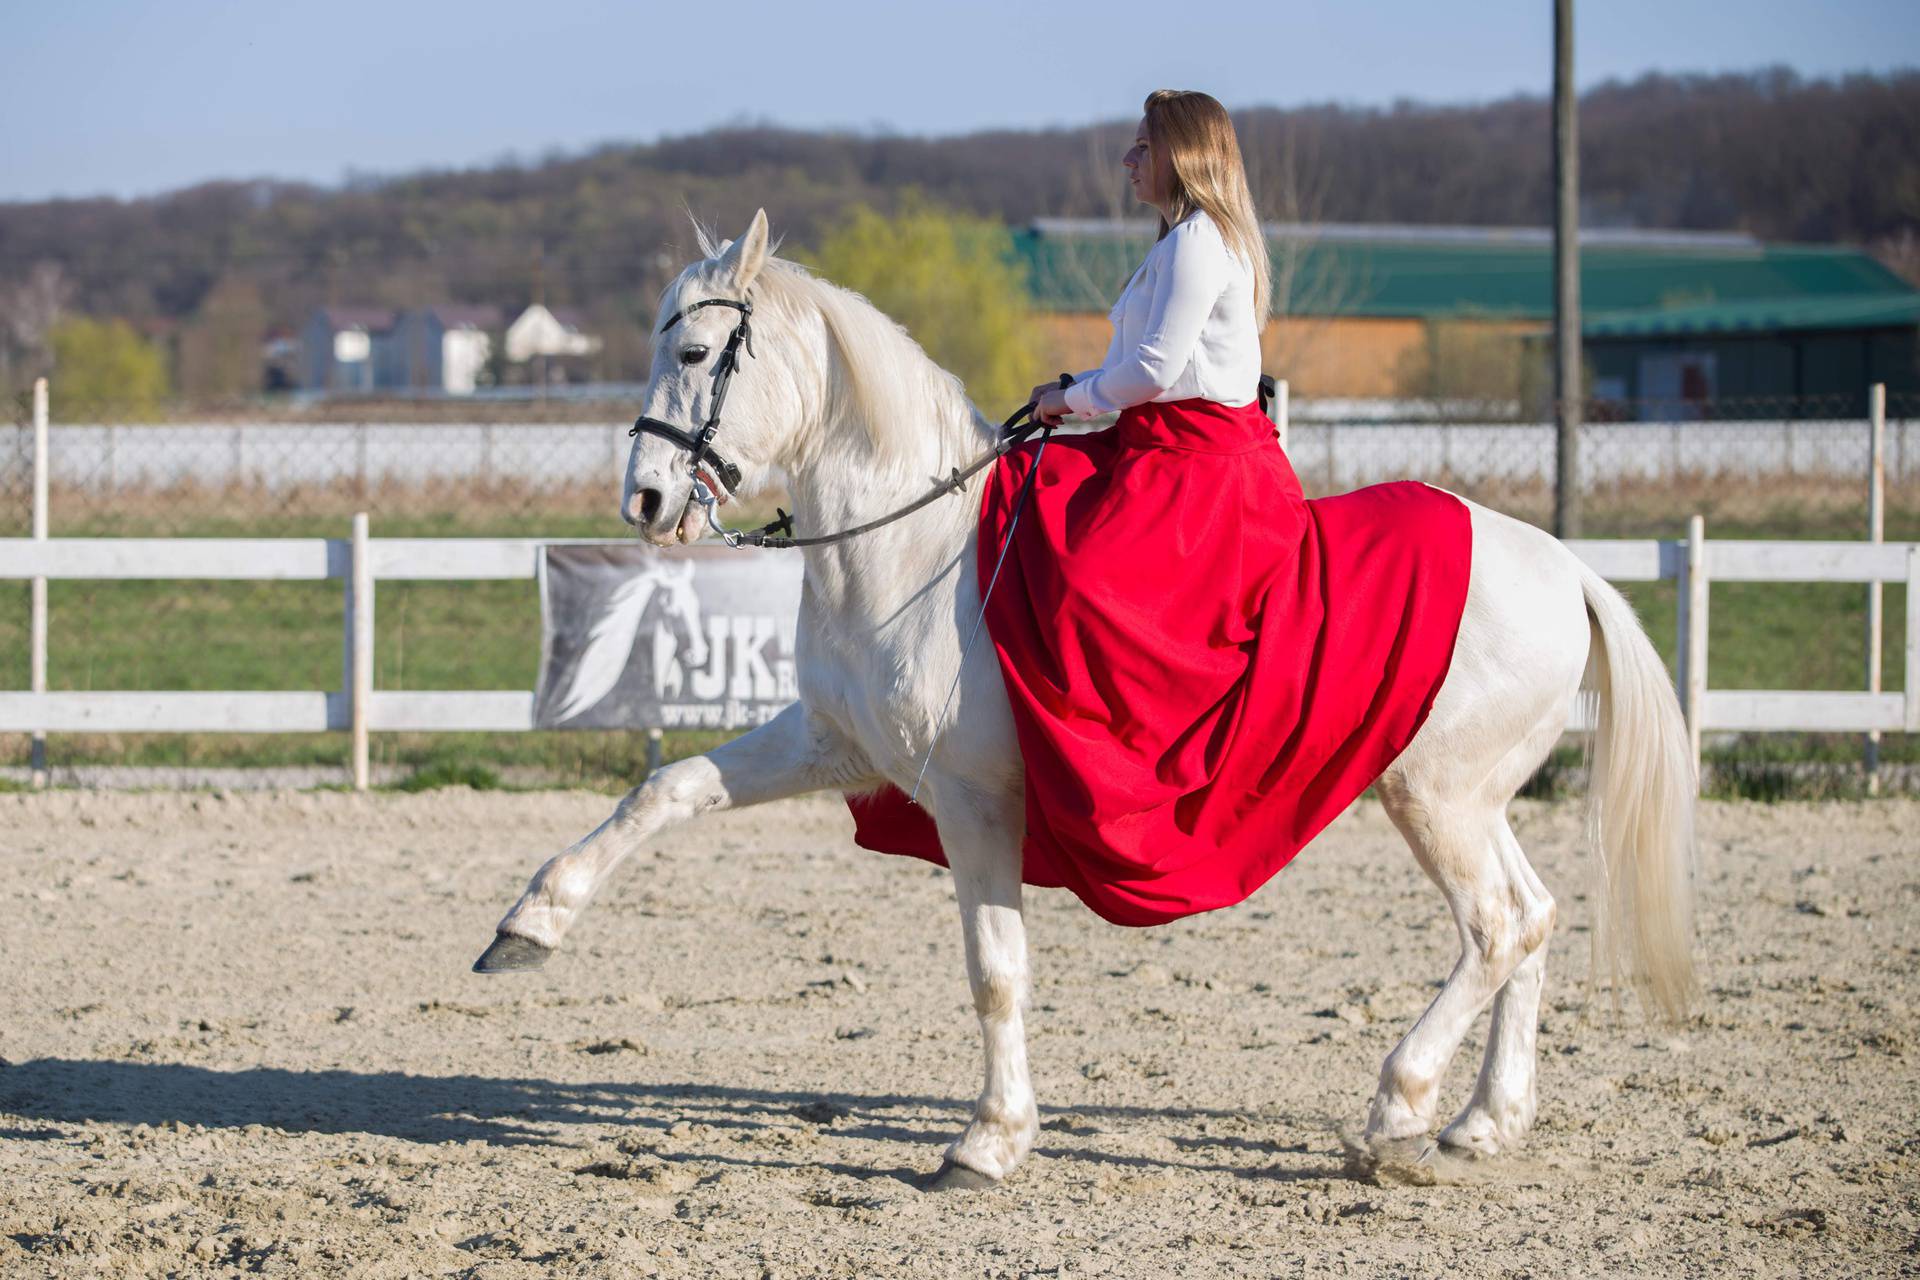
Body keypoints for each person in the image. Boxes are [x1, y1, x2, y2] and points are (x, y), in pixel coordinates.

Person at [849, 90, 1474, 926]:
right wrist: (1075, 404)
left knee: (1080, 576)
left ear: (1181, 153)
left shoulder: (1201, 243)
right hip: (1154, 447)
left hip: (1196, 469)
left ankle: (1107, 775)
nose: (1128, 159)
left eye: (1142, 145)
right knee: (1024, 504)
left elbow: (1150, 369)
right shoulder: (1184, 242)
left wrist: (1067, 397)